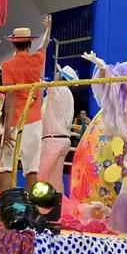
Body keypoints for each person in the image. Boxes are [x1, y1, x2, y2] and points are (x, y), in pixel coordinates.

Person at [0, 15, 52, 193]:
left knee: (6, 167)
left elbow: (11, 98)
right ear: (29, 43)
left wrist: (6, 128)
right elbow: (44, 45)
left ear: (13, 44)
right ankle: (32, 211)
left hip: (15, 120)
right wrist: (48, 28)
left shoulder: (8, 66)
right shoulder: (36, 61)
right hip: (35, 121)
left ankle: (6, 210)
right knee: (31, 171)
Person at [38, 65, 76, 194]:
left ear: (61, 77)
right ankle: (58, 210)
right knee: (55, 181)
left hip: (53, 140)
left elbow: (39, 83)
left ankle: (35, 209)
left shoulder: (58, 89)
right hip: (61, 140)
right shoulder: (67, 94)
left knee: (40, 177)